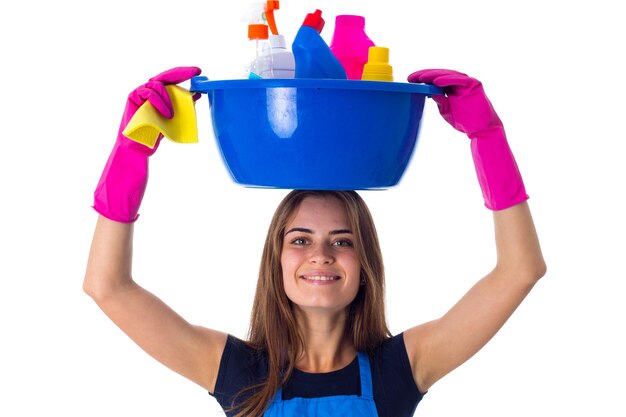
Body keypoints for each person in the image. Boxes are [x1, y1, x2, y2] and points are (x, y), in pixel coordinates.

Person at [84, 67, 546, 417]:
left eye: (342, 241)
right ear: (277, 260)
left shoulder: (402, 368)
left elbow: (520, 271)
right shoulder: (238, 372)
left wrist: (487, 140)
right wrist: (132, 151)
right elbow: (107, 287)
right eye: (300, 239)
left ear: (366, 263)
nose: (320, 254)